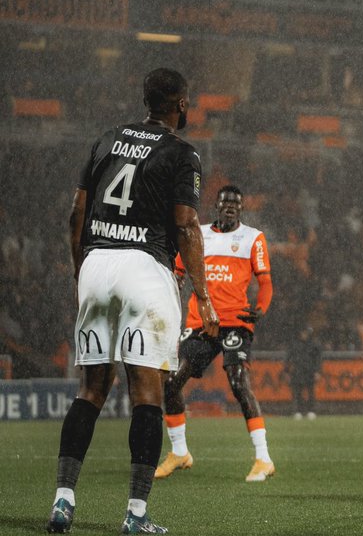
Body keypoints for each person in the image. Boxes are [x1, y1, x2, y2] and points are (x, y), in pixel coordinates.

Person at [47, 68, 219, 535]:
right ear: (181, 104)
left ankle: (63, 503)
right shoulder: (183, 153)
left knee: (90, 391)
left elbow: (76, 213)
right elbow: (185, 225)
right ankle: (136, 516)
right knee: (146, 396)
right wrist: (203, 295)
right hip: (146, 267)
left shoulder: (105, 140)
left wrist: (81, 271)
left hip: (97, 264)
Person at [154, 184, 275, 482]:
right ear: (217, 206)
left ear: (242, 209)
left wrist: (261, 307)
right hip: (202, 323)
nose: (230, 208)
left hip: (235, 321)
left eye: (235, 204)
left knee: (237, 382)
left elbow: (266, 282)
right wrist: (174, 284)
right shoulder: (200, 234)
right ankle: (179, 451)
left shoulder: (253, 238)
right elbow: (179, 271)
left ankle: (263, 458)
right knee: (171, 382)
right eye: (225, 203)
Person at [285, 326, 323, 419]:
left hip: (309, 371)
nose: (304, 335)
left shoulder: (314, 345)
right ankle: (298, 411)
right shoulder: (295, 344)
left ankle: (311, 410)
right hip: (297, 371)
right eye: (303, 332)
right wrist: (286, 371)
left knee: (310, 392)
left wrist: (317, 371)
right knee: (297, 392)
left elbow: (318, 359)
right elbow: (288, 358)